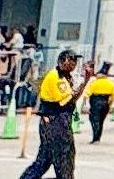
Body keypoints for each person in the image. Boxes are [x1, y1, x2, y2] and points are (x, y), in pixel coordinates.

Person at [19, 48, 88, 179]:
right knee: (64, 159)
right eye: (70, 60)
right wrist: (86, 81)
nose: (73, 64)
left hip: (55, 121)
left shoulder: (65, 77)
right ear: (61, 62)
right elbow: (67, 100)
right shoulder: (56, 76)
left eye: (75, 61)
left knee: (44, 160)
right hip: (56, 122)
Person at [83, 63, 114, 144]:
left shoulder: (94, 83)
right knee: (101, 121)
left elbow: (86, 94)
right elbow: (113, 96)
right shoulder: (111, 84)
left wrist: (85, 105)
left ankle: (95, 139)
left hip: (95, 103)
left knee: (94, 120)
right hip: (105, 103)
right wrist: (110, 105)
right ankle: (98, 138)